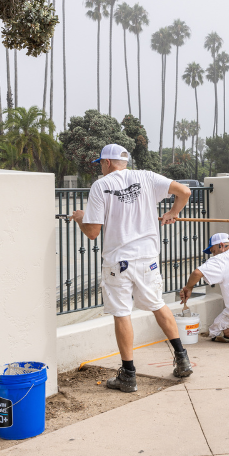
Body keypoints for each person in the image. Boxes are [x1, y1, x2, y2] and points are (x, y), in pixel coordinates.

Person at [71, 144, 194, 393]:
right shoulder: (146, 176)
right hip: (147, 256)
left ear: (106, 162)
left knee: (122, 312)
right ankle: (182, 359)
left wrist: (80, 218)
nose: (101, 168)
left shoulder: (100, 186)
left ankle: (128, 375)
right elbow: (185, 191)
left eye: (100, 164)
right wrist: (173, 211)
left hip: (119, 260)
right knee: (157, 304)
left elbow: (93, 233)